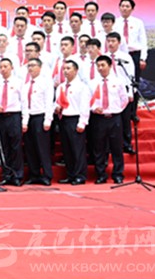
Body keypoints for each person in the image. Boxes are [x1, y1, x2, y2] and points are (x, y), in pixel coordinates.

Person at [90, 55, 131, 184]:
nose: (100, 68)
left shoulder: (118, 82)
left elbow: (124, 99)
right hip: (99, 118)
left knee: (116, 147)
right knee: (99, 148)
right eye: (98, 66)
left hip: (114, 118)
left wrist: (116, 109)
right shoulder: (92, 83)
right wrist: (93, 108)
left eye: (103, 65)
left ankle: (118, 174)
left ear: (110, 66)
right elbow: (87, 100)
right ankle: (101, 174)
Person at [0, 59, 26, 186]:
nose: (3, 69)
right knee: (3, 146)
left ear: (12, 67)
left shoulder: (19, 82)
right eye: (1, 67)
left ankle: (17, 175)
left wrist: (25, 120)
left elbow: (24, 102)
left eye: (6, 66)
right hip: (1, 116)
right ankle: (6, 174)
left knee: (15, 146)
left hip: (14, 116)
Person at [55, 60, 91, 185]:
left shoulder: (81, 87)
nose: (65, 71)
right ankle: (70, 174)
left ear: (76, 71)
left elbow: (84, 106)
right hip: (63, 118)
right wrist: (56, 107)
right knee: (67, 149)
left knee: (77, 149)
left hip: (75, 118)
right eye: (64, 68)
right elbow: (57, 101)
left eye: (68, 68)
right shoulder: (61, 87)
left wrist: (82, 122)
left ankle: (80, 175)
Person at [22, 58, 54, 186]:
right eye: (28, 66)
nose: (30, 68)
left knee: (42, 148)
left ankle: (47, 175)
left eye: (33, 65)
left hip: (41, 116)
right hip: (29, 117)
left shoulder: (46, 83)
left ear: (40, 67)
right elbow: (24, 104)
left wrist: (48, 119)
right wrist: (24, 121)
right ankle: (33, 174)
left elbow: (49, 102)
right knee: (30, 148)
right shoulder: (26, 85)